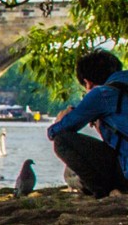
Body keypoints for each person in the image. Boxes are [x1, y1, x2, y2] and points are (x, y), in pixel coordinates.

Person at [47, 49, 128, 197]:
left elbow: (55, 132)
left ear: (88, 83)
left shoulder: (101, 94)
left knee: (62, 140)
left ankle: (103, 193)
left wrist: (61, 119)